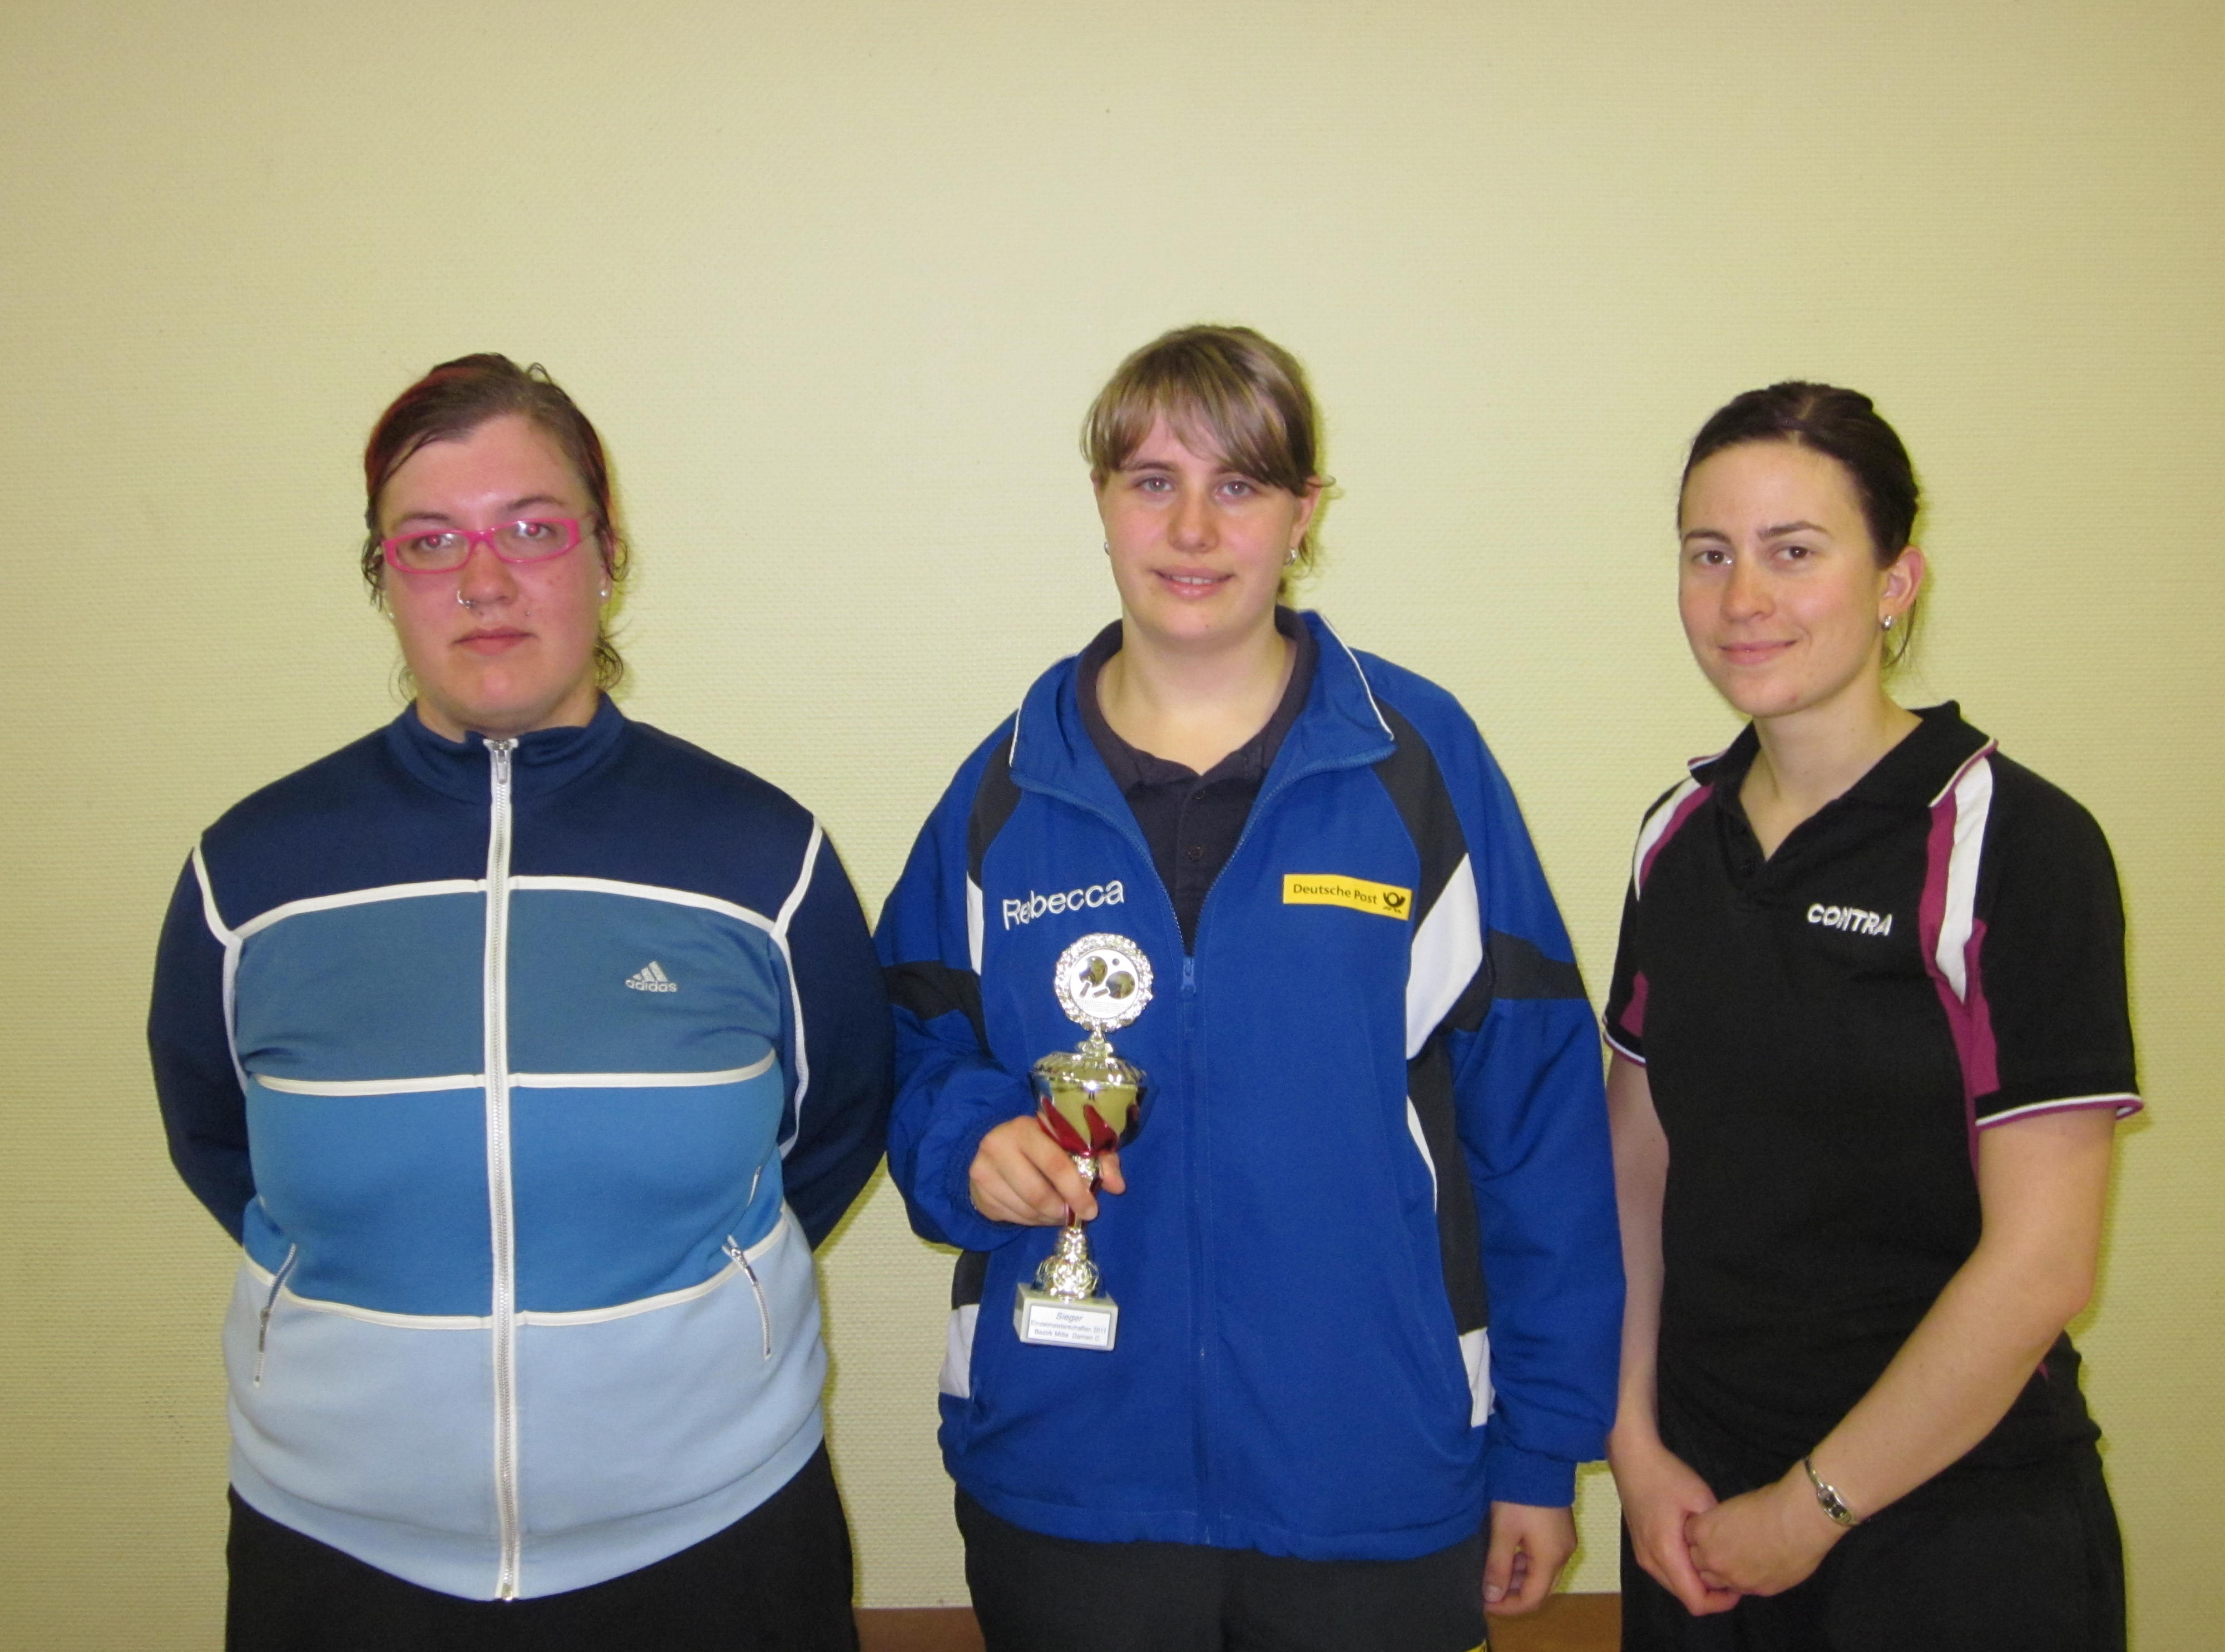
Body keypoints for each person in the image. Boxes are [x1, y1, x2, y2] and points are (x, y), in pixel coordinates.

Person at [877, 324, 1623, 1652]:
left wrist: (1538, 1446)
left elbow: (1537, 1121)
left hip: (1370, 1473)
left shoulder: (1416, 766)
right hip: (1068, 1471)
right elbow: (909, 1047)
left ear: (1302, 513)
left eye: (1238, 484)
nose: (1192, 528)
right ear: (1100, 500)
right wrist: (970, 1147)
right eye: (1151, 481)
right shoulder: (1007, 788)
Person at [147, 354, 891, 1650]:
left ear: (606, 553)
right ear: (382, 577)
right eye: (430, 541)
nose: (483, 581)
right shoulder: (249, 874)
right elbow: (219, 1142)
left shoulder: (762, 859)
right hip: (338, 1548)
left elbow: (830, 1134)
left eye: (532, 529)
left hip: (714, 1536)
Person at [1603, 382, 2137, 1650]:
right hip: (1697, 1513)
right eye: (1709, 554)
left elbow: (2043, 1265)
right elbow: (1632, 1167)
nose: (1743, 598)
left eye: (1793, 552)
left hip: (1947, 1528)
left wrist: (1813, 1509)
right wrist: (1629, 1443)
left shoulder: (2015, 844)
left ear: (1895, 581)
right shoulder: (1676, 837)